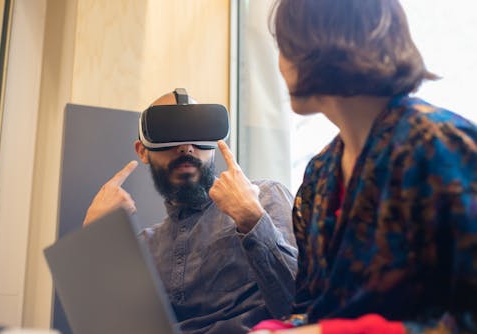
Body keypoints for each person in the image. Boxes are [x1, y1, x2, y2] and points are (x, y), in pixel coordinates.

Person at [250, 0, 477, 333]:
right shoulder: (318, 176)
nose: (280, 64)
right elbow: (313, 308)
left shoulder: (440, 146)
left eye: (284, 47)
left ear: (319, 46)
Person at [82, 90, 298, 334]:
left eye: (196, 133)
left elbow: (302, 306)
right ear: (143, 151)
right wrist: (94, 240)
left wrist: (253, 220)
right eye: (170, 133)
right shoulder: (144, 247)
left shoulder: (265, 198)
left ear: (214, 144)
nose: (186, 148)